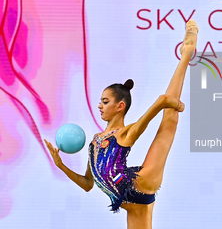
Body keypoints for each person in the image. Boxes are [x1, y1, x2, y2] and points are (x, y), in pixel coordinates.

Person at [44, 19, 198, 229]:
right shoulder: (95, 141)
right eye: (100, 102)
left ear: (120, 106)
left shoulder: (124, 134)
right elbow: (88, 185)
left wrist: (167, 102)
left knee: (169, 122)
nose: (99, 106)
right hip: (131, 204)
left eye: (105, 102)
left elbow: (153, 111)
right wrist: (61, 166)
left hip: (137, 184)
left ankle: (186, 52)